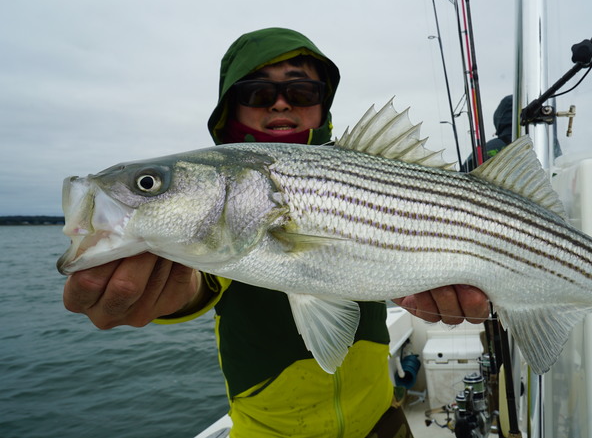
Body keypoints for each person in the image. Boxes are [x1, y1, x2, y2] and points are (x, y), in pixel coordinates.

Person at [63, 27, 490, 437]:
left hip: (382, 418)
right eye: (258, 92)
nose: (281, 104)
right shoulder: (216, 239)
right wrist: (164, 294)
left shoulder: (364, 170)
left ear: (323, 105)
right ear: (231, 108)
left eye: (302, 91)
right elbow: (200, 281)